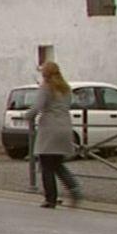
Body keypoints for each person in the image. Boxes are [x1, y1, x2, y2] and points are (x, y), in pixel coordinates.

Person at [24, 61, 83, 208]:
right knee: (57, 164)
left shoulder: (46, 87)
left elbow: (37, 107)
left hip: (49, 128)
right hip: (65, 127)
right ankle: (74, 189)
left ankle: (50, 198)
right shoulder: (66, 88)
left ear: (45, 74)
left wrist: (27, 116)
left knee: (47, 166)